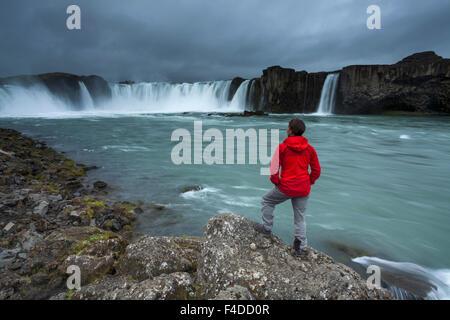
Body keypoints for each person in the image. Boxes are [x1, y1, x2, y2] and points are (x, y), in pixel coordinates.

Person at [254, 118, 321, 257]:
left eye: (287, 127)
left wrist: (276, 181)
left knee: (267, 200)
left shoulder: (282, 147)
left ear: (290, 130)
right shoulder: (310, 149)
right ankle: (300, 246)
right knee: (300, 217)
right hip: (303, 187)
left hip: (286, 186)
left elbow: (274, 168)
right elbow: (316, 170)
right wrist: (310, 181)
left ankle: (266, 228)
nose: (286, 129)